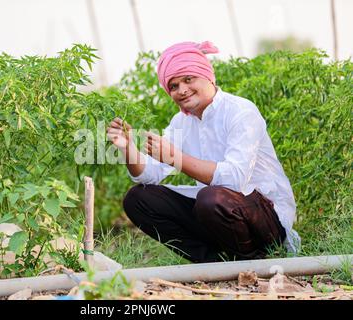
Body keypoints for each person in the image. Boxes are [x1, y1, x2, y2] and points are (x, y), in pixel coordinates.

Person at [106, 41, 300, 263]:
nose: (182, 90)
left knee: (210, 197)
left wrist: (176, 158)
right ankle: (212, 262)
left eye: (188, 79)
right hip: (218, 213)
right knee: (138, 198)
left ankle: (253, 259)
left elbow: (235, 179)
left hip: (265, 219)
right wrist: (126, 147)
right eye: (174, 86)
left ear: (209, 76)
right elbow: (149, 174)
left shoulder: (241, 111)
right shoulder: (180, 122)